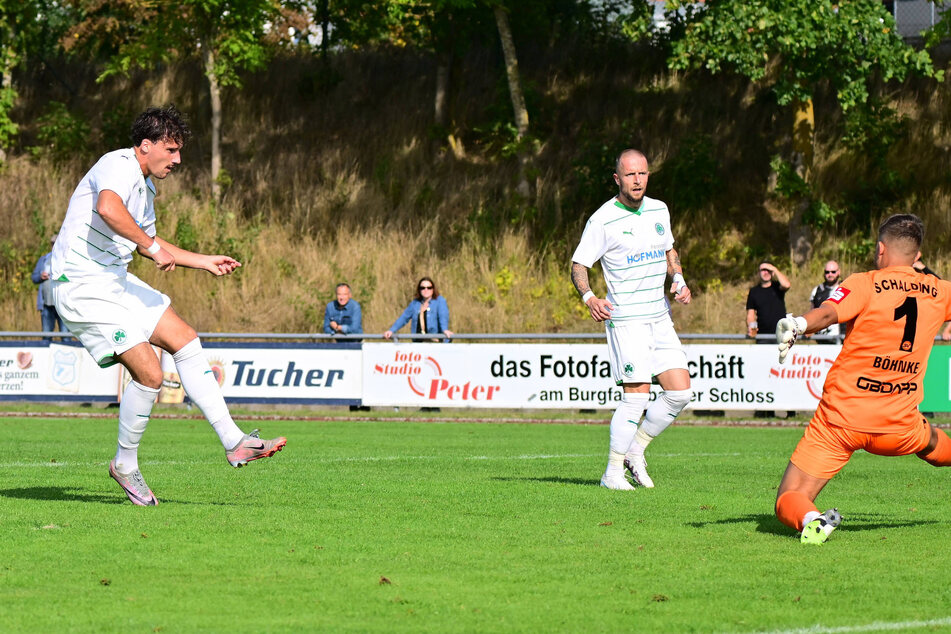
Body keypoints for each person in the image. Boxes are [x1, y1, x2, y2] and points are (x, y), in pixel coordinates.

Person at [49, 105, 286, 506]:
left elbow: (148, 244)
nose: (177, 160)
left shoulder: (145, 188)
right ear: (145, 146)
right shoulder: (118, 164)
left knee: (185, 339)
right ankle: (125, 464)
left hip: (113, 280)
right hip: (81, 283)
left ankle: (235, 441)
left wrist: (203, 261)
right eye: (171, 150)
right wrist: (151, 246)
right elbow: (109, 210)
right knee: (151, 374)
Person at [774, 213, 951, 544]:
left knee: (788, 498)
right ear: (917, 255)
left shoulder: (865, 282)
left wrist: (798, 324)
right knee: (929, 442)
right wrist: (927, 277)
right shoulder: (940, 291)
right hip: (899, 427)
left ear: (881, 249)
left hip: (842, 421)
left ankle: (811, 519)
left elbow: (828, 313)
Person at [570, 148, 692, 491]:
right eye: (630, 174)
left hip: (660, 317)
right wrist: (589, 297)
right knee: (636, 396)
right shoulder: (603, 219)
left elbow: (669, 249)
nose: (637, 180)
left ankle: (635, 451)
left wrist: (678, 278)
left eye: (642, 173)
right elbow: (579, 264)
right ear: (617, 179)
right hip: (627, 321)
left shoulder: (659, 209)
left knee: (680, 393)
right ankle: (611, 472)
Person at [383, 277, 453, 341]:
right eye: (422, 288)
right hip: (418, 344)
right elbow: (404, 318)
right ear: (419, 290)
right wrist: (391, 330)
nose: (426, 290)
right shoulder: (415, 304)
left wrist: (445, 330)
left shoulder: (440, 301)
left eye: (429, 287)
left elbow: (443, 317)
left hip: (435, 342)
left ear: (433, 289)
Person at [31, 234, 68, 337]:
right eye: (52, 244)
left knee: (66, 336)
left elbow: (73, 278)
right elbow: (34, 277)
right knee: (47, 336)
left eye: (57, 243)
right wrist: (40, 276)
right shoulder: (44, 259)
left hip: (62, 304)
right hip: (46, 305)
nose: (54, 246)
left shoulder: (67, 259)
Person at [746, 261, 790, 343]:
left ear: (772, 273)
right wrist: (751, 326)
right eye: (763, 270)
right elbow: (750, 314)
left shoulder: (777, 287)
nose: (766, 272)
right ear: (759, 273)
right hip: (762, 336)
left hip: (781, 334)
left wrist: (774, 269)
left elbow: (787, 285)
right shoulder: (754, 292)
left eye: (768, 270)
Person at [808, 260, 842, 344]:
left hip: (841, 337)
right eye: (827, 272)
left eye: (833, 272)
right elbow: (812, 311)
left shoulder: (845, 289)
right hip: (822, 338)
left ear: (839, 272)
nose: (830, 275)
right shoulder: (817, 290)